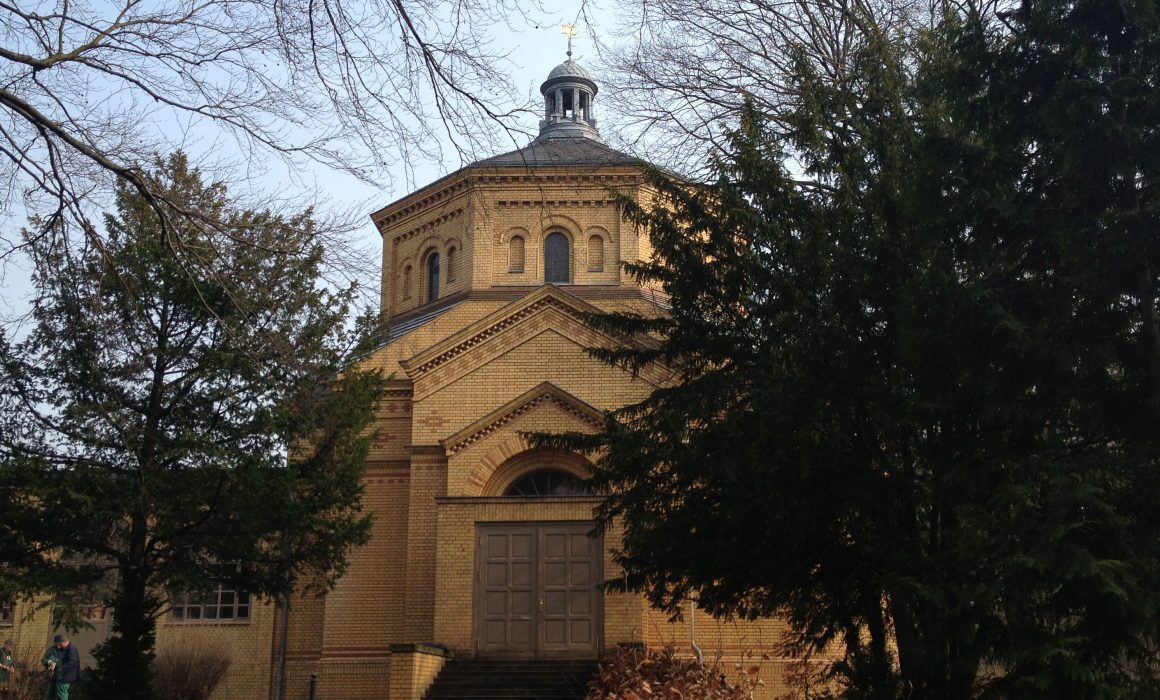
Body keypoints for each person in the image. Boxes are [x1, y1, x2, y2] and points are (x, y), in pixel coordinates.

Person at [42, 635, 79, 700]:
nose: (58, 646)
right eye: (57, 644)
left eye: (59, 644)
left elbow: (72, 661)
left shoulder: (69, 649)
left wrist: (61, 668)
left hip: (62, 675)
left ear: (64, 642)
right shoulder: (54, 649)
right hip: (55, 675)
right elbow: (44, 660)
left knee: (61, 692)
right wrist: (50, 663)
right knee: (57, 693)